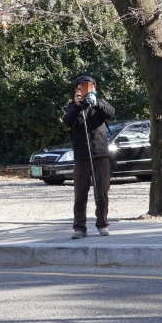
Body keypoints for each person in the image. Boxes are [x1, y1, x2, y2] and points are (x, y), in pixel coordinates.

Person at [62, 73, 116, 239]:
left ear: (94, 89)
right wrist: (77, 106)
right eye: (80, 88)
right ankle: (79, 227)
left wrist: (97, 102)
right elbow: (67, 122)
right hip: (81, 156)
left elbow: (111, 113)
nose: (83, 91)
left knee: (102, 192)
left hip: (100, 154)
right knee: (80, 194)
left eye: (87, 87)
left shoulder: (99, 104)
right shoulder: (74, 107)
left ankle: (102, 224)